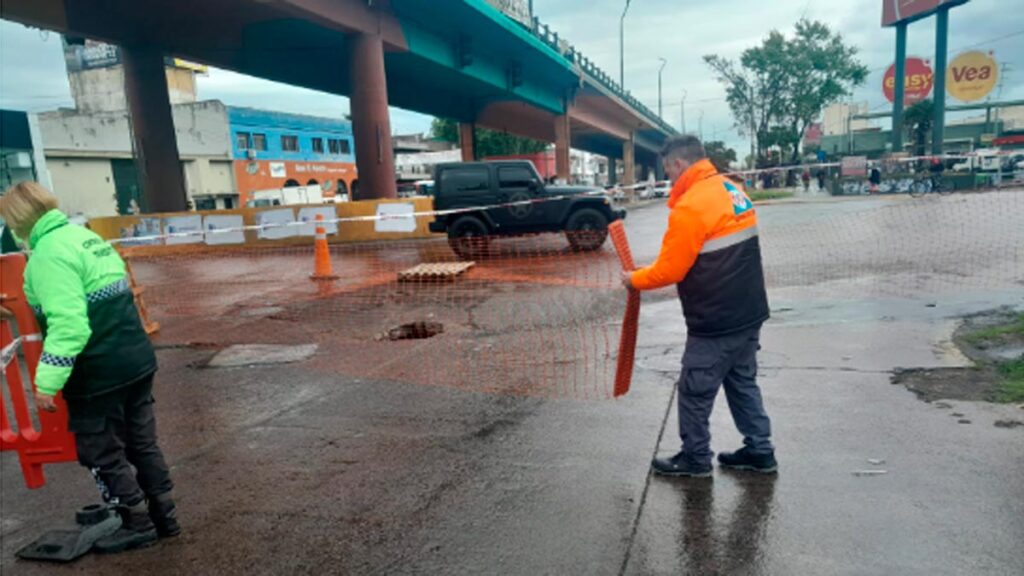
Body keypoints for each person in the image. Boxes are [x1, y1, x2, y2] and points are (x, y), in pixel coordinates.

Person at [0, 182, 178, 553]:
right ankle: (165, 516)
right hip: (136, 358)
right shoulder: (84, 237)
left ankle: (136, 522)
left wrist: (46, 382)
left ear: (17, 222)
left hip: (99, 370)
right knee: (142, 442)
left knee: (102, 450)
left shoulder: (48, 254)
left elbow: (69, 325)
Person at [622, 135, 776, 478]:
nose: (670, 178)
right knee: (742, 382)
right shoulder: (731, 190)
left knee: (694, 391)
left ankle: (695, 459)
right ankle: (760, 450)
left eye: (668, 170)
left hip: (716, 319)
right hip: (749, 312)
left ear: (679, 164)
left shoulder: (691, 206)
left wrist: (633, 279)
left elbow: (669, 270)